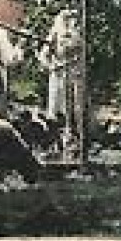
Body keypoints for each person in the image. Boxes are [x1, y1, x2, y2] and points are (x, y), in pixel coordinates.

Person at [37, 8, 84, 156]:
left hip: (75, 76)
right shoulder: (55, 34)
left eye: (72, 19)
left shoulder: (80, 35)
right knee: (57, 110)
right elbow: (43, 55)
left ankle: (76, 142)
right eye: (66, 19)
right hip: (58, 76)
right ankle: (56, 143)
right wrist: (51, 66)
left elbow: (83, 54)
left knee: (76, 109)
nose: (69, 22)